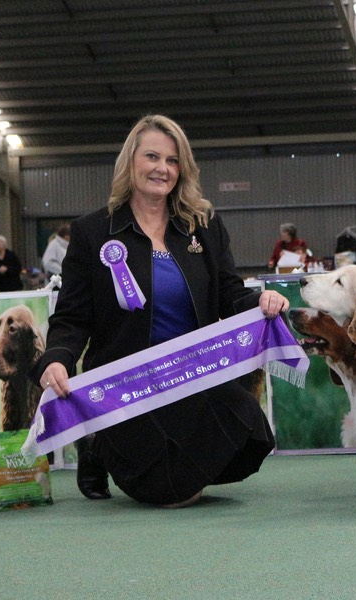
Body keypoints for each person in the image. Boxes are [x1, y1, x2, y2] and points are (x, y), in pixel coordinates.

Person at [30, 114, 289, 507]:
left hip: (191, 375)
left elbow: (229, 295)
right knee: (172, 495)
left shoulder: (204, 226)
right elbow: (72, 317)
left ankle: (114, 449)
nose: (162, 169)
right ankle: (100, 439)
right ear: (130, 161)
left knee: (250, 430)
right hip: (128, 387)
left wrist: (261, 301)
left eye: (172, 160)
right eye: (152, 156)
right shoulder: (92, 232)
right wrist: (57, 358)